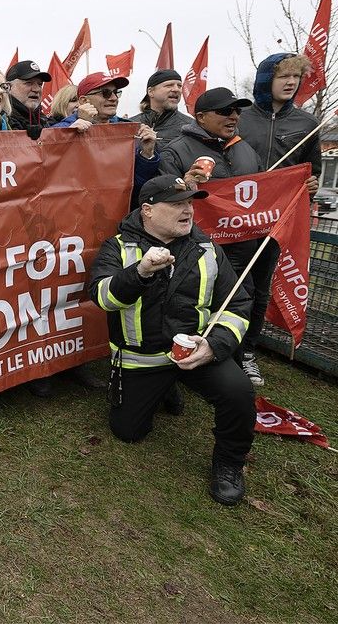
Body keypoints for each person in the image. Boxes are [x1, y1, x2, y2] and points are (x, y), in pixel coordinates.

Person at [89, 174, 254, 506]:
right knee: (128, 432)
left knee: (239, 392)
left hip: (197, 352)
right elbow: (102, 298)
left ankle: (228, 465)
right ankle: (164, 388)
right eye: (177, 204)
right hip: (142, 361)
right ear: (148, 211)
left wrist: (215, 345)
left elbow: (237, 304)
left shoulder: (208, 248)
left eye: (190, 203)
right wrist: (140, 272)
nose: (188, 211)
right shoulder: (118, 247)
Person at [159, 88, 270, 386]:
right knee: (195, 304)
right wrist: (186, 185)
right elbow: (163, 202)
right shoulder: (176, 151)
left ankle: (240, 356)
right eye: (225, 111)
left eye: (237, 110)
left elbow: (263, 191)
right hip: (199, 247)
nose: (234, 116)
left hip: (243, 245)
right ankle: (185, 360)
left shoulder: (246, 150)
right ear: (201, 117)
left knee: (241, 300)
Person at [53, 72, 161, 207]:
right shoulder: (61, 129)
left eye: (116, 92)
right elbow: (52, 176)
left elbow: (138, 184)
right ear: (84, 101)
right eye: (105, 93)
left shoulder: (129, 131)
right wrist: (68, 135)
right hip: (75, 211)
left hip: (117, 213)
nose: (114, 98)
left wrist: (147, 154)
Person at [237, 53, 321, 196]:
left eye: (296, 76)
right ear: (266, 80)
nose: (291, 82)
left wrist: (312, 184)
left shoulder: (308, 123)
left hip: (283, 209)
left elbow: (312, 171)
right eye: (284, 76)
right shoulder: (236, 118)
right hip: (241, 207)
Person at [131, 69, 193, 148]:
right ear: (151, 92)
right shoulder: (130, 125)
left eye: (179, 86)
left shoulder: (189, 128)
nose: (176, 89)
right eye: (169, 85)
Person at [4, 60, 51, 134]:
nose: (37, 89)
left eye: (40, 84)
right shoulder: (3, 121)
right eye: (28, 83)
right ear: (8, 87)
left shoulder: (44, 121)